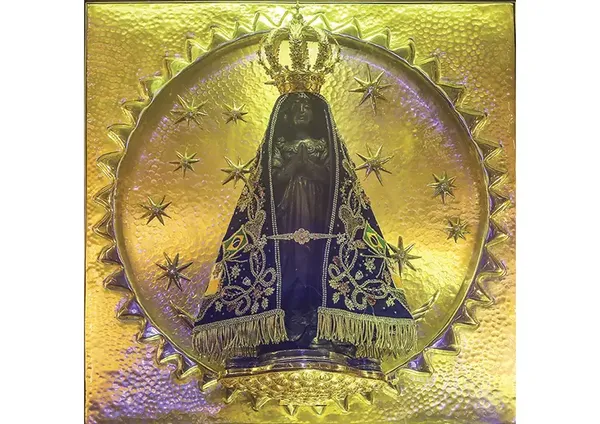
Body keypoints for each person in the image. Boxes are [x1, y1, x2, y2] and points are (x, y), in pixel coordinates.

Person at [193, 91, 416, 362]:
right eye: (295, 107)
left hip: (320, 215)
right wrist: (294, 167)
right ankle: (290, 320)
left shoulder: (323, 144)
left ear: (317, 116)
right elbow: (271, 179)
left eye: (306, 107)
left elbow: (334, 177)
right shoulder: (281, 144)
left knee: (316, 262)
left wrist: (307, 166)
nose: (301, 111)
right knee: (290, 259)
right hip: (286, 215)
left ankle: (319, 323)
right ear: (285, 116)